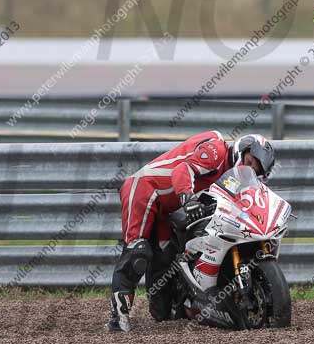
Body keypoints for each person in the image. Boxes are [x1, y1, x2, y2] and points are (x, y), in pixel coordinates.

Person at [106, 132, 276, 332]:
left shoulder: (231, 179)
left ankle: (178, 306)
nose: (250, 169)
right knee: (138, 253)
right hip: (145, 189)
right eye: (249, 162)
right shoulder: (216, 150)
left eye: (255, 170)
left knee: (167, 259)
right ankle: (118, 318)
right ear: (242, 150)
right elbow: (183, 170)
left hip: (169, 208)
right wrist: (188, 199)